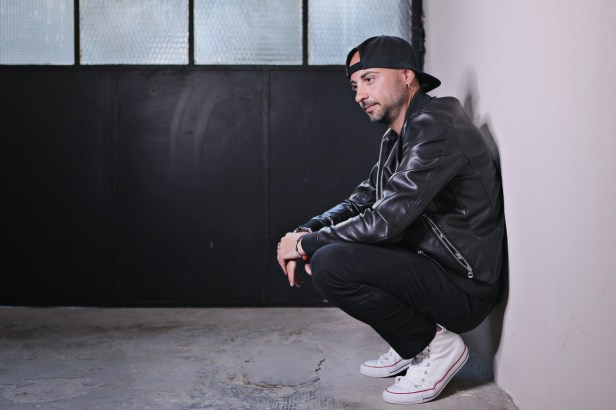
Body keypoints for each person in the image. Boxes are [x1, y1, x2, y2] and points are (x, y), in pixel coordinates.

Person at [276, 35, 506, 405]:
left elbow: (385, 221)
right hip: (434, 268)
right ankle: (410, 341)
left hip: (465, 285)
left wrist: (305, 245)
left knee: (331, 263)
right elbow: (362, 200)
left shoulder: (436, 126)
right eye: (355, 85)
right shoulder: (396, 138)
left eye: (369, 79)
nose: (360, 95)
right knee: (328, 253)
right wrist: (306, 230)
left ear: (406, 75)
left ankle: (434, 346)